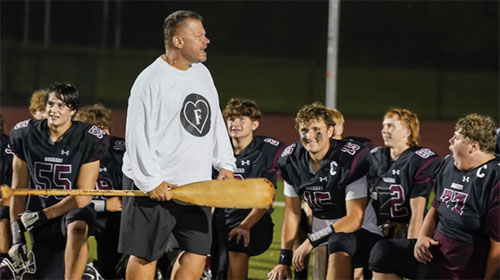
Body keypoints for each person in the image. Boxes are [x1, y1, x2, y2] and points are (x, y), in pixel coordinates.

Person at [118, 10, 236, 280]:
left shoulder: (203, 73)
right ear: (178, 42)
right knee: (145, 254)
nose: (206, 40)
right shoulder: (149, 81)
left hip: (195, 186)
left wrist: (225, 163)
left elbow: (214, 118)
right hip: (157, 186)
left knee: (196, 251)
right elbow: (136, 136)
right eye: (199, 36)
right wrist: (150, 182)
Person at [369, 113, 500, 279]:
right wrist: (422, 237)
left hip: (463, 268)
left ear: (473, 147)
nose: (450, 141)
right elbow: (436, 206)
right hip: (434, 254)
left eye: (457, 138)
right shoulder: (448, 164)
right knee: (383, 253)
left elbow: (498, 247)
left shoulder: (494, 179)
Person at [267, 103, 381, 280]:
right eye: (304, 130)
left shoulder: (349, 158)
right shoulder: (290, 160)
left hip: (360, 231)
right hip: (321, 230)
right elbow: (292, 213)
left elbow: (354, 219)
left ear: (330, 131)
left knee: (338, 239)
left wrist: (312, 240)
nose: (310, 136)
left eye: (316, 129)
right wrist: (284, 260)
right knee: (302, 228)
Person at [8, 82, 107, 279]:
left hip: (71, 210)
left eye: (61, 105)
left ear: (73, 111)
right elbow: (17, 190)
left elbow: (83, 196)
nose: (53, 110)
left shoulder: (89, 138)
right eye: (51, 104)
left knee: (78, 227)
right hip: (39, 214)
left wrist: (44, 214)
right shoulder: (25, 134)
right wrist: (17, 237)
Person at [210, 98, 285, 279]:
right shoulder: (216, 149)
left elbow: (266, 199)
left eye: (242, 119)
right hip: (223, 218)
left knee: (237, 245)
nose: (235, 124)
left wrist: (245, 225)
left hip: (255, 219)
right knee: (218, 270)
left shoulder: (265, 151)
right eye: (231, 119)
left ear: (255, 124)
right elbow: (210, 194)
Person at [75, 104, 125, 279]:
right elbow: (67, 197)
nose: (101, 137)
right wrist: (104, 204)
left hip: (113, 219)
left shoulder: (121, 151)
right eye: (95, 131)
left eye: (103, 130)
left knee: (111, 263)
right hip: (83, 211)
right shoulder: (73, 153)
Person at [0, 114, 13, 261]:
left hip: (7, 200)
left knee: (3, 213)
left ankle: (4, 261)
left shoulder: (9, 148)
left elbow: (13, 189)